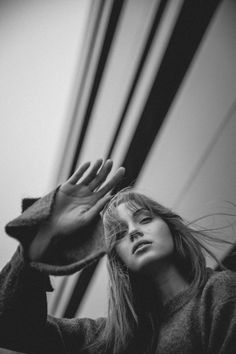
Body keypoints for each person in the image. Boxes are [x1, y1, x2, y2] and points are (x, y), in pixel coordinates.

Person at [0, 159, 235, 354]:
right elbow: (11, 326)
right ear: (117, 257)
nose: (134, 232)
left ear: (171, 228)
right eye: (120, 233)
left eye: (144, 219)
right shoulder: (111, 338)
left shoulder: (219, 292)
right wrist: (41, 240)